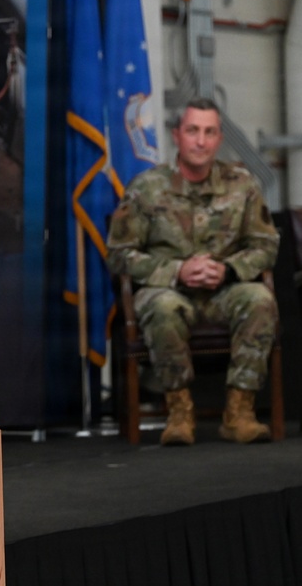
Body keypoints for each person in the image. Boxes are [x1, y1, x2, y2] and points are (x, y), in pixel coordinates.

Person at [107, 97, 280, 446]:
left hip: (223, 291)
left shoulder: (242, 185)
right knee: (163, 307)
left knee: (261, 298)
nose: (200, 141)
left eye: (209, 132)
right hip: (169, 290)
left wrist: (229, 270)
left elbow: (266, 245)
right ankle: (179, 412)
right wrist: (177, 270)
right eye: (192, 131)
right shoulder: (146, 188)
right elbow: (120, 255)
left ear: (218, 139)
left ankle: (239, 412)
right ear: (177, 136)